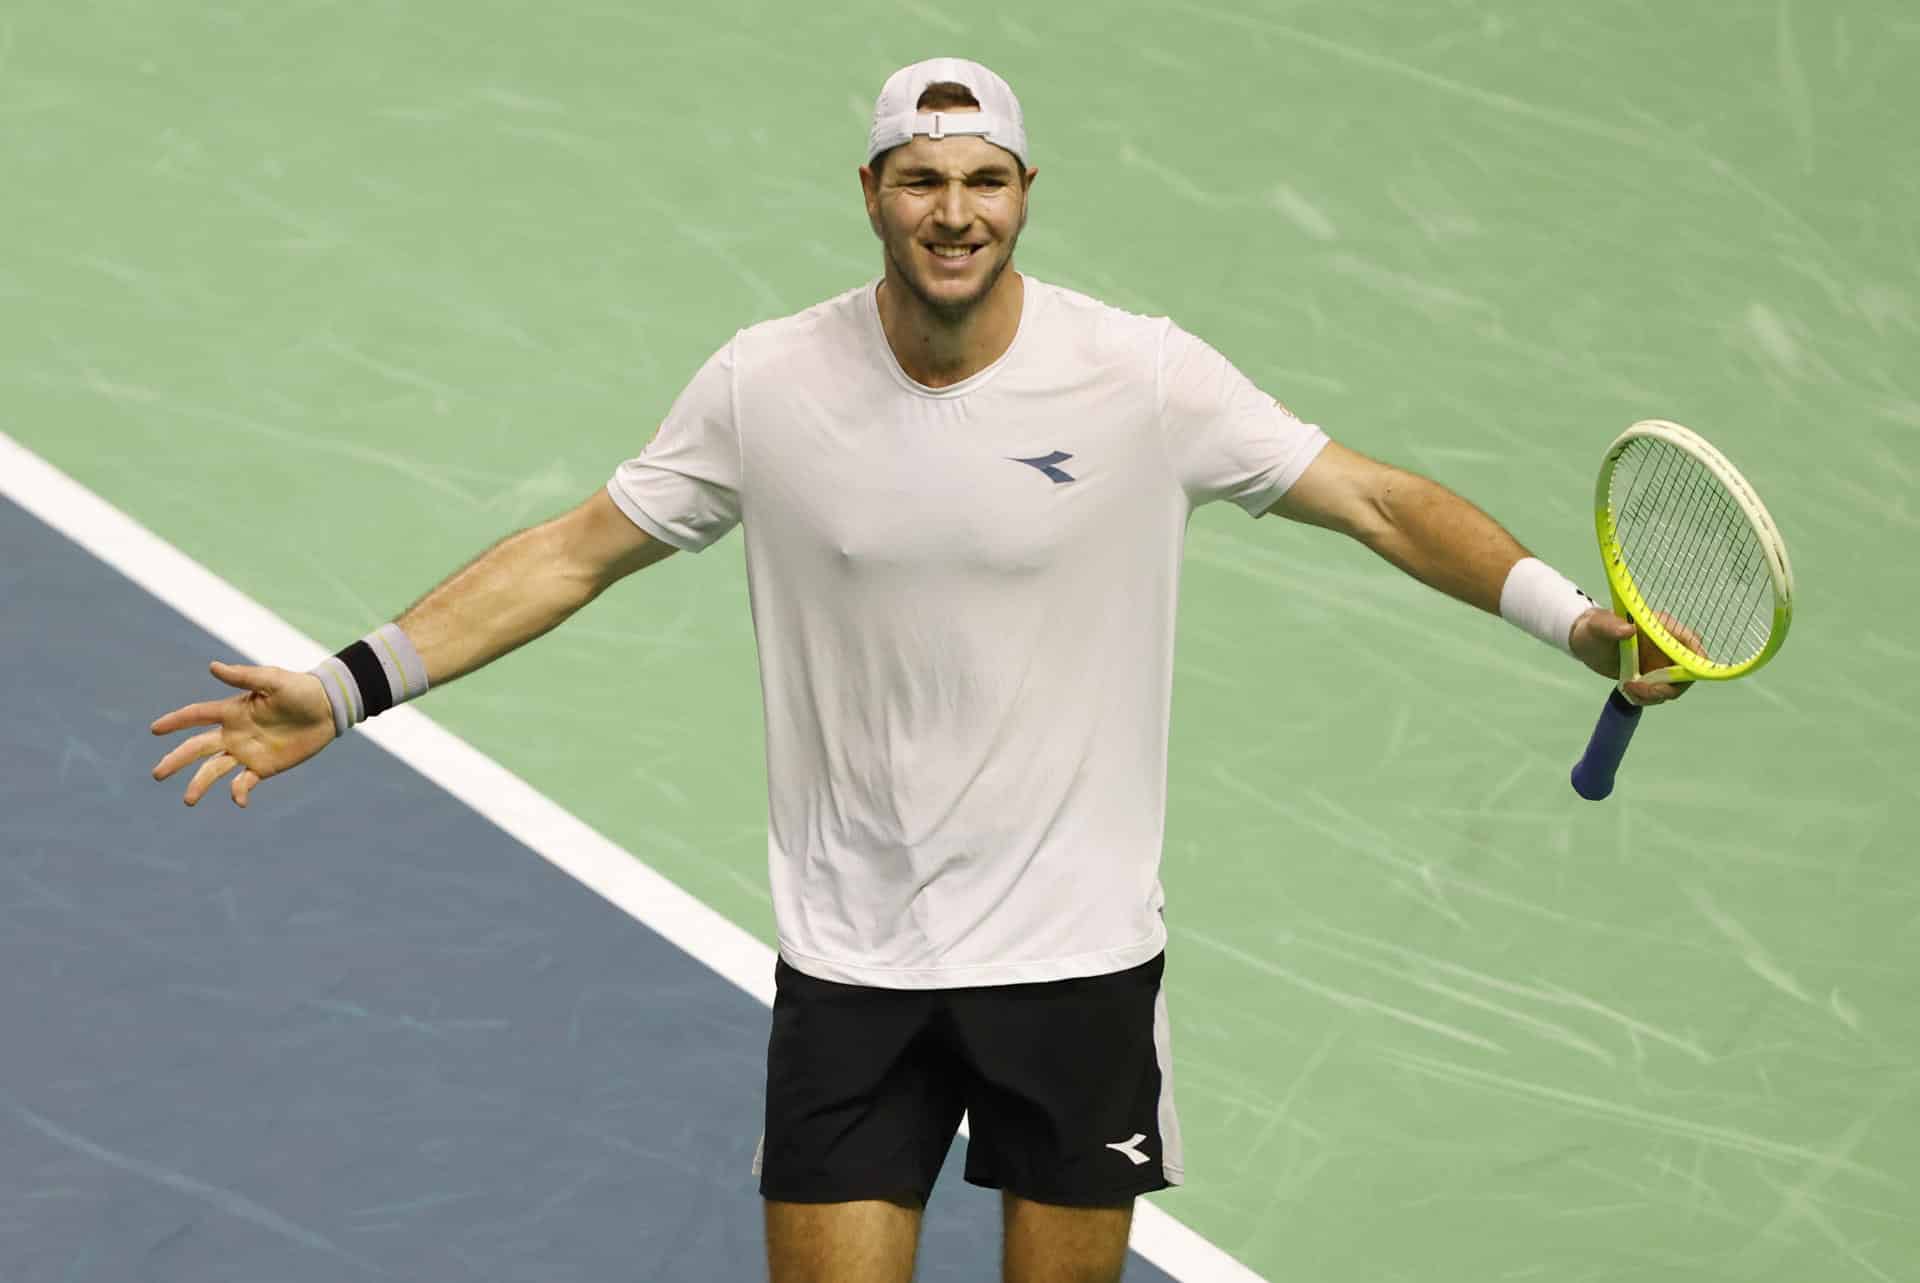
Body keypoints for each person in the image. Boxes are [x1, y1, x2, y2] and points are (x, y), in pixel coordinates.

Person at [150, 57, 1688, 1283]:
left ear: (1026, 194)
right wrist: (349, 686)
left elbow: (1374, 499)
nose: (955, 212)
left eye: (984, 181)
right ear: (873, 196)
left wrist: (1573, 620)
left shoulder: (1142, 375)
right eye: (922, 181)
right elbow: (576, 550)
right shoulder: (767, 382)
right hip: (855, 964)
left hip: (1077, 958)